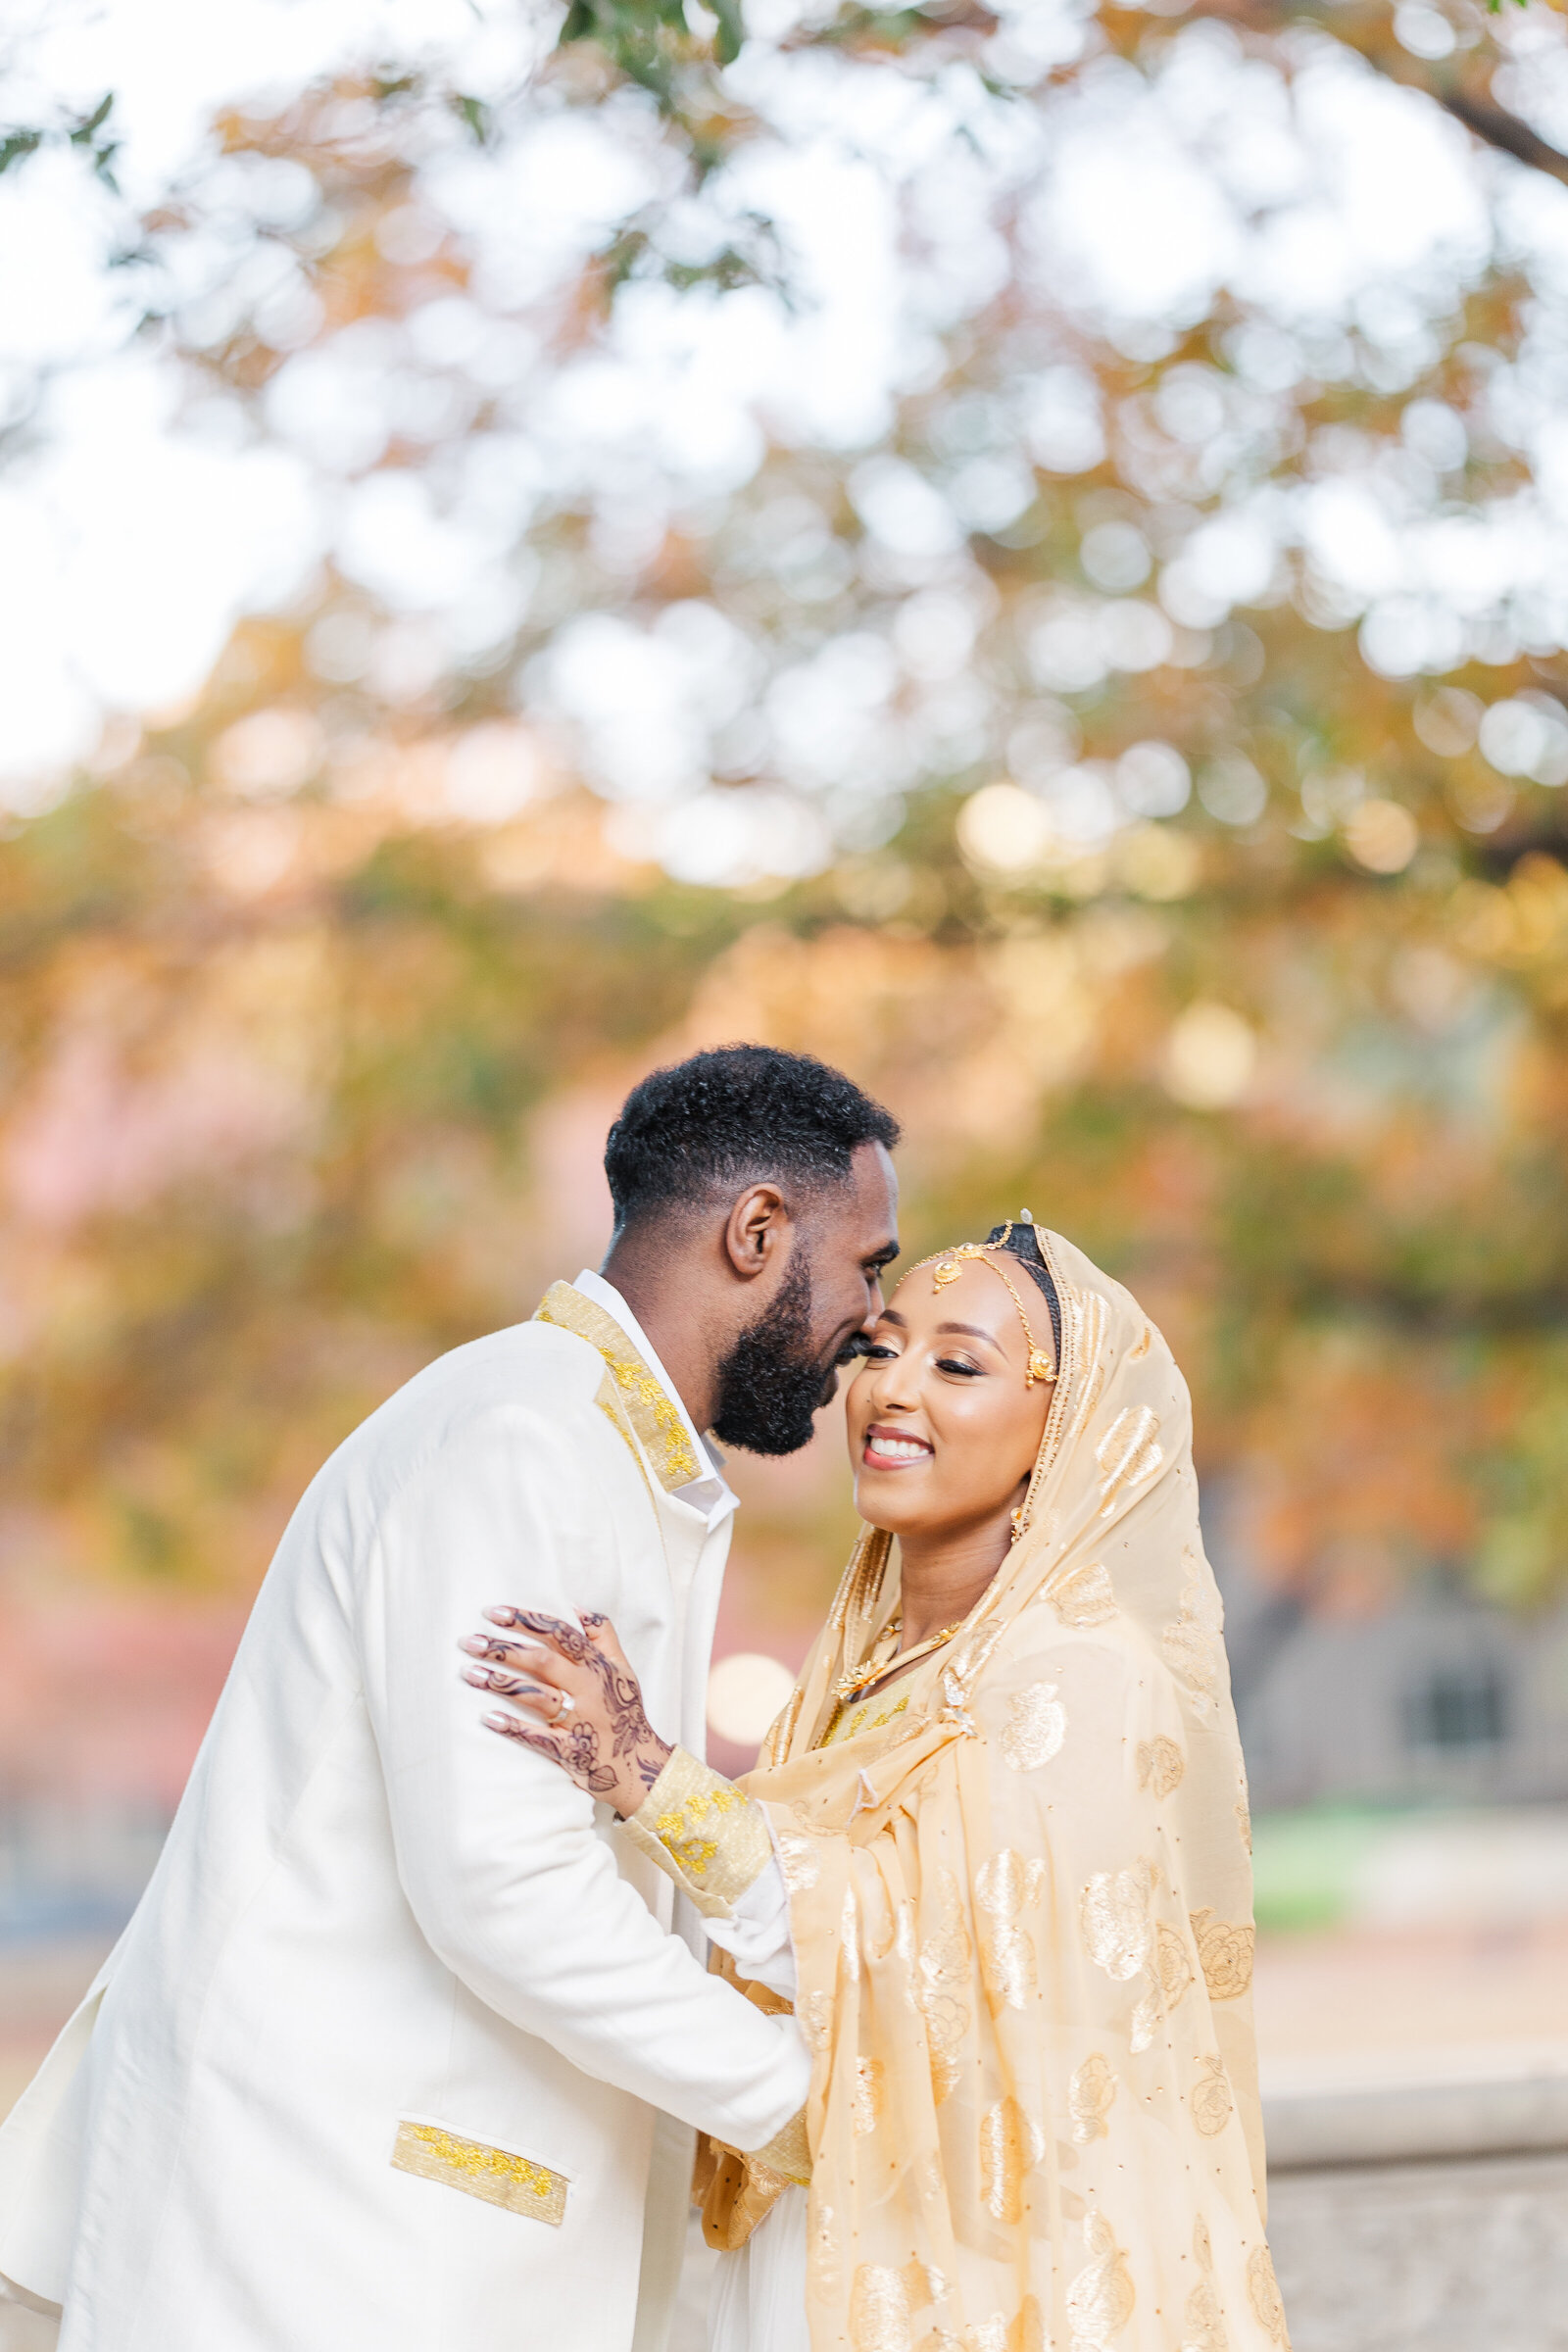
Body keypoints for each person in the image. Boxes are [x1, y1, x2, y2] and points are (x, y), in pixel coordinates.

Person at [0, 1045, 902, 2352]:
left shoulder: (587, 1442)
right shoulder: (525, 1443)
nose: (870, 1317)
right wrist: (822, 2110)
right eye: (866, 1263)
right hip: (329, 2224)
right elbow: (506, 1885)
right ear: (759, 1230)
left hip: (387, 2220)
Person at [466, 1218, 1289, 2352]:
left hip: (993, 2268)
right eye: (879, 1351)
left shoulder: (1079, 1676)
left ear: (1073, 1432)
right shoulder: (857, 1668)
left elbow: (900, 1947)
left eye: (956, 1365)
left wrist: (650, 1777)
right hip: (831, 2221)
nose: (889, 1391)